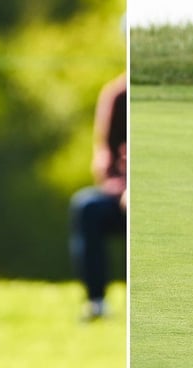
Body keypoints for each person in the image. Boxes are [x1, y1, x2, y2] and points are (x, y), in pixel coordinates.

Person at [68, 72, 127, 321]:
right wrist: (124, 190)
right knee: (87, 207)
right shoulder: (119, 94)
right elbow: (106, 157)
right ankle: (97, 302)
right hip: (125, 196)